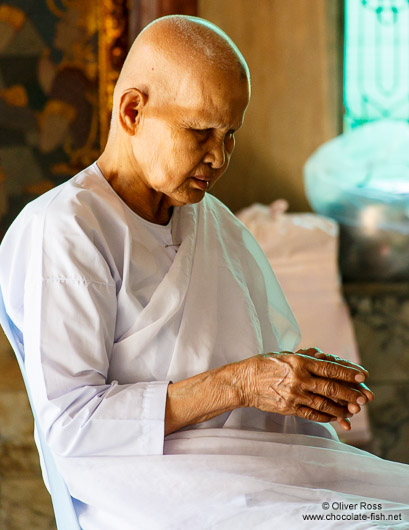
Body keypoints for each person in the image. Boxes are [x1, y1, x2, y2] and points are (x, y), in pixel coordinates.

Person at [1, 15, 408, 529]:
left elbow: (242, 360)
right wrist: (241, 383)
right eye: (199, 132)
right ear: (132, 111)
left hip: (254, 466)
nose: (218, 157)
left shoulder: (210, 219)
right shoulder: (65, 229)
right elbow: (73, 425)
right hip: (152, 490)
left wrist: (294, 380)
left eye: (230, 134)